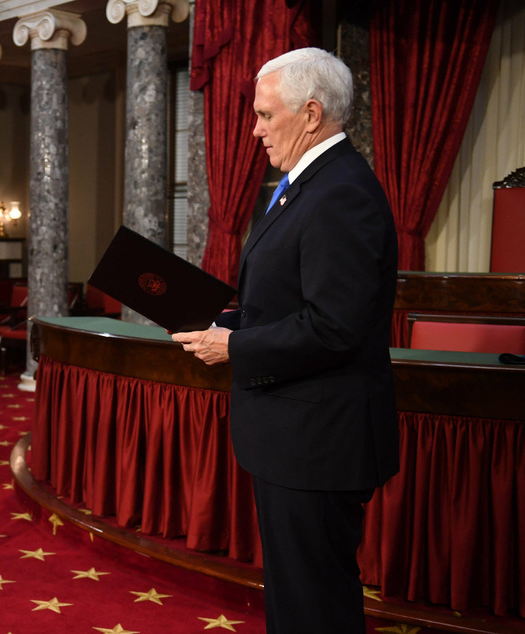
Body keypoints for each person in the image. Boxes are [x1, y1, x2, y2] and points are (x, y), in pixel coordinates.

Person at [172, 48, 399, 633]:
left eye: (266, 115)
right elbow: (289, 300)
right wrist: (230, 321)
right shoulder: (310, 182)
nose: (255, 130)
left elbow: (334, 325)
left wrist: (235, 347)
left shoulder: (339, 192)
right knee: (299, 596)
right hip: (297, 436)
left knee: (313, 604)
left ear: (312, 113)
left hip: (319, 442)